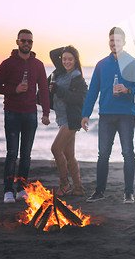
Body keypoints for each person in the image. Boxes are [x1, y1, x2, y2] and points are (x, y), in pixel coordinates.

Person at [81, 27, 135, 204]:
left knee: (128, 153)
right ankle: (99, 191)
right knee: (103, 154)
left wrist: (128, 89)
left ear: (124, 42)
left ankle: (129, 192)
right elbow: (93, 91)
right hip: (106, 115)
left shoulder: (134, 64)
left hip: (126, 115)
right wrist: (85, 114)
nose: (114, 44)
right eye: (111, 41)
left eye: (118, 41)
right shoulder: (101, 65)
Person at [0, 29, 50, 203]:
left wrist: (46, 113)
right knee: (12, 153)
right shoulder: (8, 64)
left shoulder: (38, 64)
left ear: (32, 44)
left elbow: (44, 89)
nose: (26, 44)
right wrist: (14, 90)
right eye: (23, 41)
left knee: (26, 155)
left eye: (29, 41)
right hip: (12, 113)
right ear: (17, 42)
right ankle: (8, 190)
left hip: (31, 114)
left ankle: (21, 189)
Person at [49, 46, 88, 196]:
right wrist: (67, 48)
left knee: (56, 149)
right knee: (69, 154)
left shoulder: (77, 77)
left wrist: (58, 90)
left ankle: (64, 184)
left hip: (71, 120)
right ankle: (78, 188)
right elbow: (53, 53)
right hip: (61, 118)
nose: (66, 62)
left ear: (75, 60)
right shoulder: (61, 71)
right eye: (64, 59)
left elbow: (79, 99)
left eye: (70, 59)